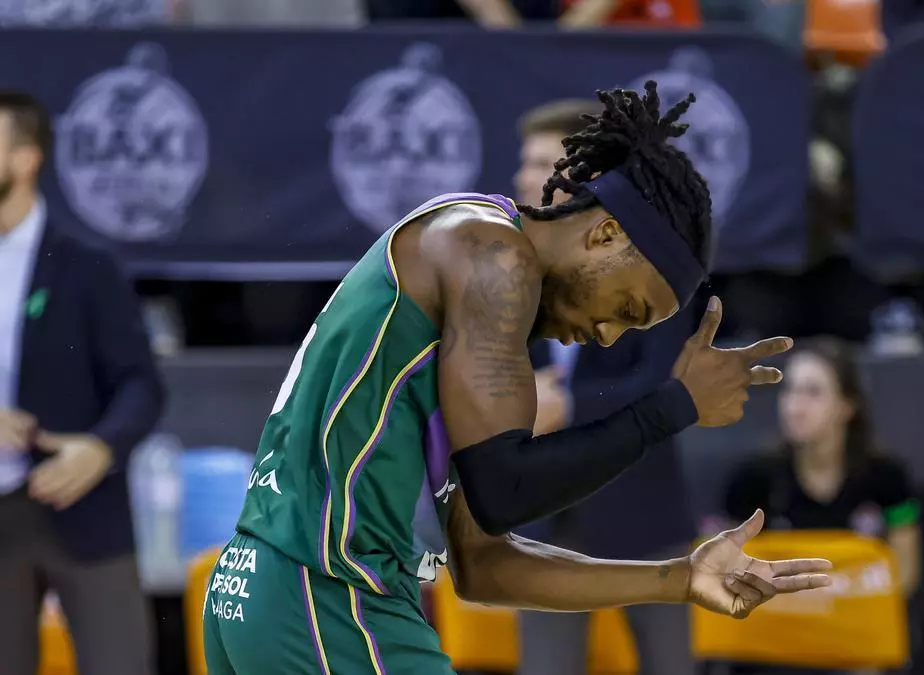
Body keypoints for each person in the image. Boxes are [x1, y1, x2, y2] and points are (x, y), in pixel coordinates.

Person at [203, 81, 832, 675]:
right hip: (327, 595)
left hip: (265, 591)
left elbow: (484, 564)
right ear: (606, 233)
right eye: (627, 308)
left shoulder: (481, 302)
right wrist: (673, 407)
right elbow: (505, 491)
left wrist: (680, 577)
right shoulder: (493, 256)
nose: (610, 335)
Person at [515, 99, 698, 675]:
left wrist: (569, 406)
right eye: (524, 162)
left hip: (641, 511)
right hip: (544, 520)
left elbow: (663, 383)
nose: (522, 177)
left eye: (539, 162)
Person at [0, 91, 166, 675]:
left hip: (79, 503)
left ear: (25, 159)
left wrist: (101, 448)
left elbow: (141, 384)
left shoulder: (86, 263)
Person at [724, 338, 921, 596]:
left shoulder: (889, 478)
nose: (795, 407)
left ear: (847, 406)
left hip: (861, 613)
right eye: (790, 390)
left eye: (813, 392)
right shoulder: (753, 480)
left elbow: (905, 573)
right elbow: (726, 568)